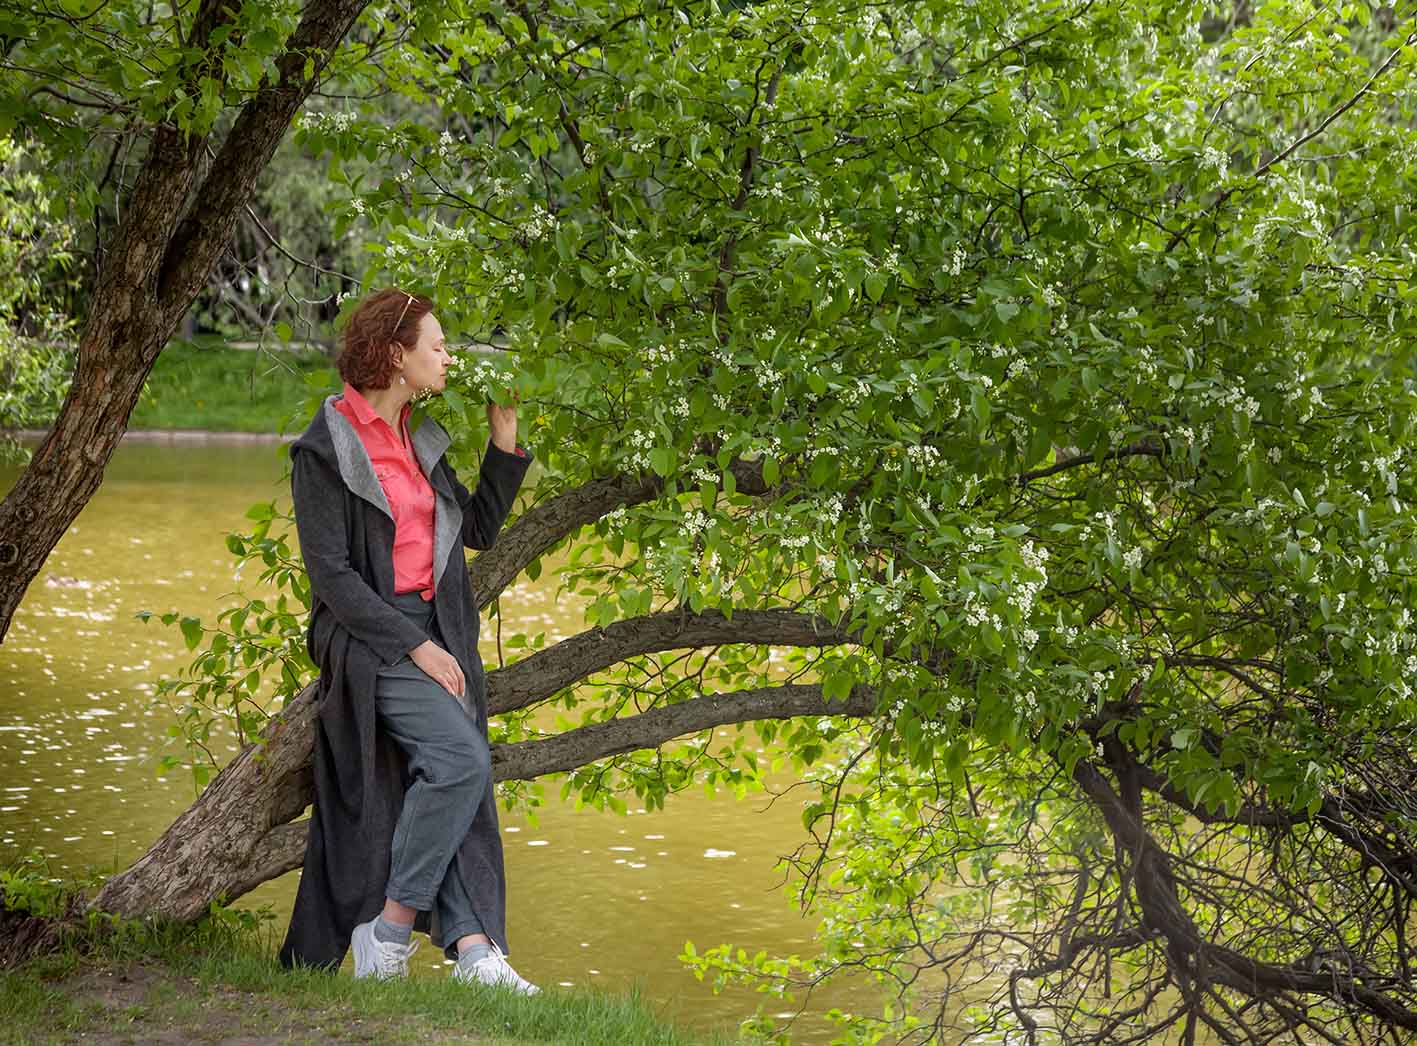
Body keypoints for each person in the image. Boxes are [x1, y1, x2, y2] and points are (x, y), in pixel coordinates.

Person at [277, 287, 537, 994]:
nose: (448, 357)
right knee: (459, 762)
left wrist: (504, 441)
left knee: (458, 774)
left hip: (441, 628)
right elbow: (329, 574)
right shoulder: (324, 447)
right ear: (396, 356)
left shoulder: (417, 437)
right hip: (368, 639)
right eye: (437, 346)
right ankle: (386, 933)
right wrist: (412, 647)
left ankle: (476, 948)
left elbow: (475, 530)